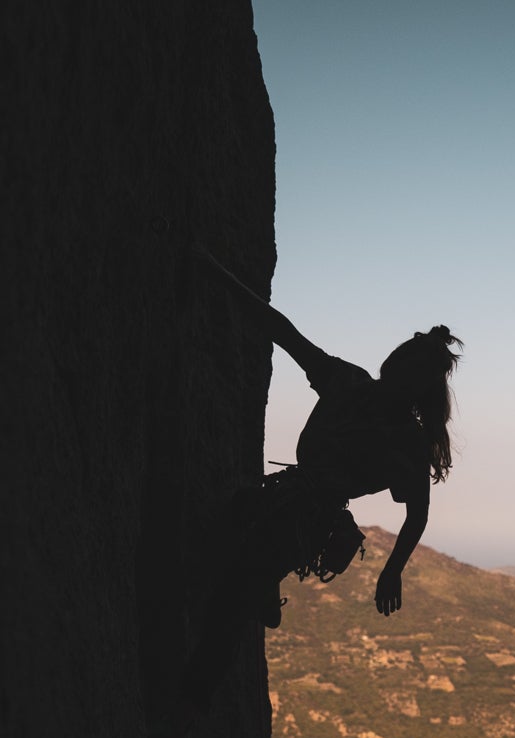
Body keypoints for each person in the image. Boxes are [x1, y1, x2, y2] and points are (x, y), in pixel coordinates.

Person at [183, 246, 460, 705]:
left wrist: (393, 572)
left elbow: (417, 514)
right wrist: (220, 275)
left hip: (301, 521)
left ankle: (184, 708)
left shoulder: (363, 399)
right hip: (295, 512)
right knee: (229, 566)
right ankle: (250, 609)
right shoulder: (356, 391)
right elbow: (284, 332)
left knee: (231, 601)